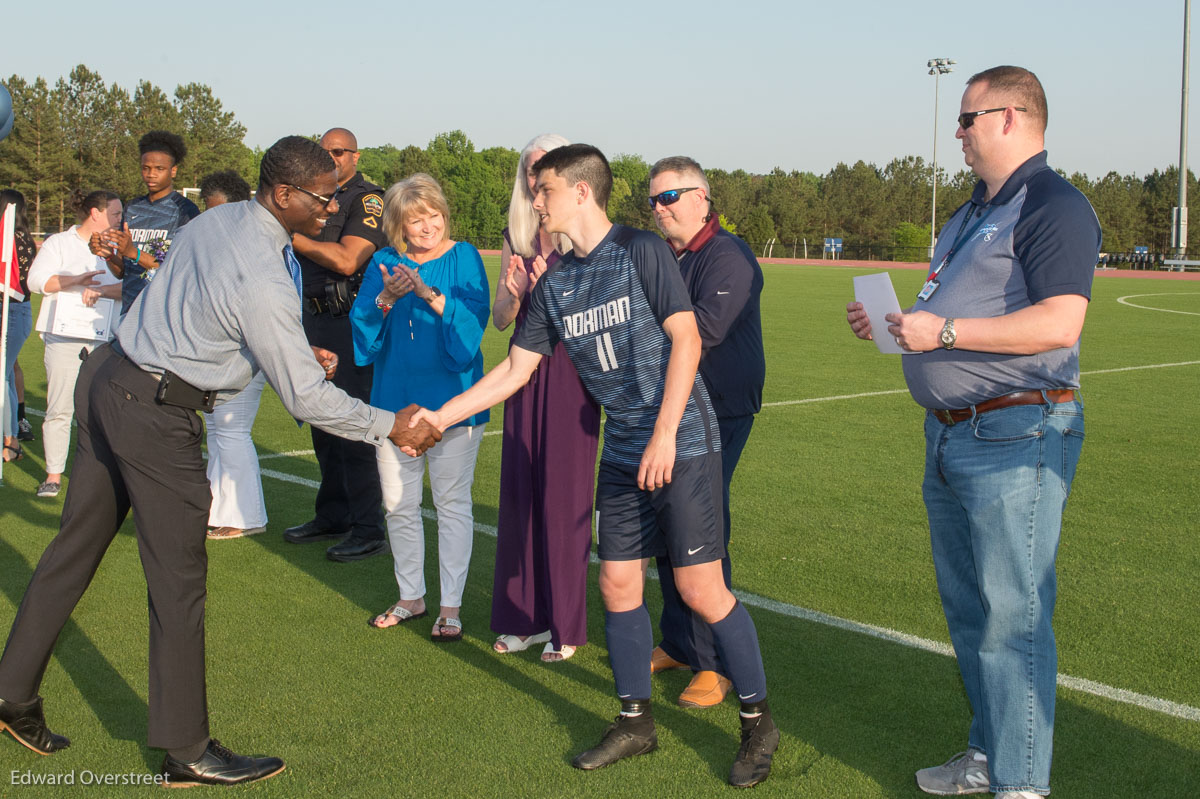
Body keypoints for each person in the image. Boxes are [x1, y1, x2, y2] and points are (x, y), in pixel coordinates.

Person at [0, 136, 442, 787]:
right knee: (178, 579)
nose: (330, 208)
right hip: (153, 412)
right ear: (285, 195)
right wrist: (393, 425)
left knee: (73, 548)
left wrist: (283, 351)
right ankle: (186, 748)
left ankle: (11, 693)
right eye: (322, 199)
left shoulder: (217, 221)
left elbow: (197, 311)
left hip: (108, 377)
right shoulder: (262, 271)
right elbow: (308, 399)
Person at [407, 144, 780, 788]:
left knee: (699, 589)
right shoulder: (554, 283)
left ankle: (757, 723)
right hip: (623, 449)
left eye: (543, 189)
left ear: (581, 192)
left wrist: (665, 433)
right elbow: (517, 369)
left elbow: (687, 338)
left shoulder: (641, 250)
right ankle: (635, 721)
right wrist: (441, 416)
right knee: (617, 588)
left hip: (682, 439)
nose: (535, 200)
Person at [846, 66, 1099, 799]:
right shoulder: (968, 213)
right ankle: (988, 752)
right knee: (970, 610)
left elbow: (1060, 321)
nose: (956, 132)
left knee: (1012, 614)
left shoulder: (1053, 203)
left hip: (1016, 432)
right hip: (953, 434)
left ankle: (1022, 784)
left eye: (968, 118)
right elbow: (942, 317)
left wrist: (947, 327)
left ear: (1013, 117)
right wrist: (896, 329)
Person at [645, 156, 765, 707]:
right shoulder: (665, 257)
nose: (659, 209)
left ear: (701, 198)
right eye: (653, 200)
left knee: (701, 529)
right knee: (671, 525)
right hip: (677, 410)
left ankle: (715, 664)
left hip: (719, 411)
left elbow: (704, 332)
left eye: (669, 197)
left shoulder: (727, 255)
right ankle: (680, 641)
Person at [352, 174, 489, 643]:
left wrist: (428, 295)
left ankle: (450, 606)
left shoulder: (465, 257)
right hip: (394, 406)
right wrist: (386, 300)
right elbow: (364, 336)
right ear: (398, 226)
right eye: (415, 220)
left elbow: (470, 335)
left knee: (451, 505)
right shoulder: (383, 262)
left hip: (454, 403)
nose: (427, 226)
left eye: (433, 215)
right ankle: (411, 596)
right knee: (398, 505)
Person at [489, 134, 600, 663]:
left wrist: (551, 290)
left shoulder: (586, 240)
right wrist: (513, 291)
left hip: (571, 375)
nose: (537, 178)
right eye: (531, 169)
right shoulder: (519, 235)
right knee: (520, 494)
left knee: (564, 501)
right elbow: (501, 320)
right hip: (522, 373)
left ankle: (566, 626)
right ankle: (522, 618)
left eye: (546, 169)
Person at [284, 127, 391, 562]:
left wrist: (291, 237)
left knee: (353, 424)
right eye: (324, 152)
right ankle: (333, 514)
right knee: (320, 422)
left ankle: (368, 527)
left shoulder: (367, 200)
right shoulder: (314, 195)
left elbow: (349, 259)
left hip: (347, 321)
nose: (331, 158)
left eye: (339, 151)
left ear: (355, 156)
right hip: (309, 316)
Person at [25, 190, 124, 498]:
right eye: (116, 213)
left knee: (105, 411)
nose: (121, 219)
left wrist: (103, 289)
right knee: (59, 408)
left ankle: (103, 475)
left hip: (108, 340)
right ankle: (53, 475)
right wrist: (77, 279)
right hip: (64, 337)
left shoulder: (119, 247)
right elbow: (36, 282)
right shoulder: (58, 244)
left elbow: (133, 287)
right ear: (95, 213)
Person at [193, 170, 269, 540]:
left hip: (247, 351)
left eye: (218, 210)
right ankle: (217, 510)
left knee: (232, 430)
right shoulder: (224, 243)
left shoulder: (255, 244)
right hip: (222, 351)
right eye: (207, 211)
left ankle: (246, 516)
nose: (212, 219)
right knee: (219, 430)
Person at [88, 130, 200, 314]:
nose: (151, 174)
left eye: (159, 169)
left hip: (164, 313)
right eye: (145, 168)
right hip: (130, 310)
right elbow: (123, 272)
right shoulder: (132, 208)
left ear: (173, 170)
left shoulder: (185, 210)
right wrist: (108, 254)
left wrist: (134, 253)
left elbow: (180, 271)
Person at [1, 189, 35, 464]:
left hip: (13, 310)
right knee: (8, 372)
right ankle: (11, 433)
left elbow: (14, 283)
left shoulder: (15, 240)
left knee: (5, 374)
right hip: (12, 310)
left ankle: (11, 439)